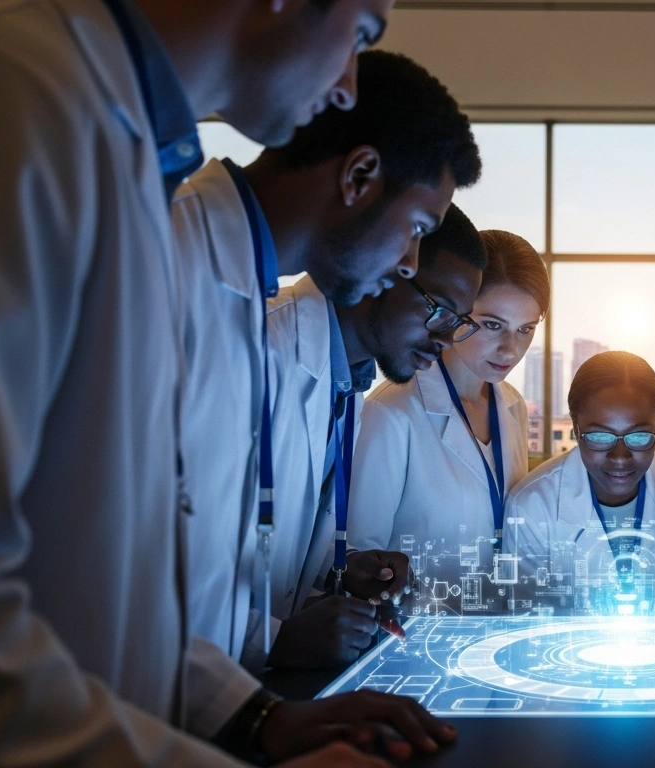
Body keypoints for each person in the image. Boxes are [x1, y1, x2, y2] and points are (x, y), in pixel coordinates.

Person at [0, 0, 403, 765]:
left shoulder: (131, 156)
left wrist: (249, 717)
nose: (348, 86)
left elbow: (99, 582)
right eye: (359, 34)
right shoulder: (2, 85)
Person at [171, 48, 479, 743]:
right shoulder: (170, 264)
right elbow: (108, 591)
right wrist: (268, 693)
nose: (407, 262)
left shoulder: (241, 297)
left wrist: (322, 604)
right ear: (361, 174)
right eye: (418, 231)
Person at [263, 204, 486, 671]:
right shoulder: (259, 349)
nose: (447, 340)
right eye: (440, 311)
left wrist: (344, 570)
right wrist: (274, 638)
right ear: (388, 266)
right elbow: (170, 558)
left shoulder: (351, 384)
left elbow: (276, 535)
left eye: (460, 323)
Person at [348, 230, 547, 614]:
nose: (511, 349)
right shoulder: (391, 413)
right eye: (492, 324)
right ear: (454, 311)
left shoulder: (513, 406)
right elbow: (358, 561)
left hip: (492, 633)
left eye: (526, 329)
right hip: (413, 638)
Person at [509, 351, 655, 615]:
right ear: (575, 427)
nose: (620, 457)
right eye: (599, 436)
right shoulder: (532, 505)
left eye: (639, 436)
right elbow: (526, 617)